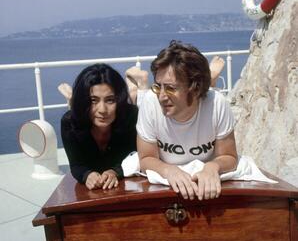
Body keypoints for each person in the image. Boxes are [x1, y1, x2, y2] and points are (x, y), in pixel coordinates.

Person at [136, 40, 237, 201]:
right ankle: (139, 82)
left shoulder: (217, 104)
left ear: (195, 89)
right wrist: (168, 170)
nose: (161, 96)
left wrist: (212, 167)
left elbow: (229, 157)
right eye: (158, 86)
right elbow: (146, 159)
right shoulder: (150, 102)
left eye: (170, 88)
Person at [61, 63, 138, 190]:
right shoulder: (70, 122)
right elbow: (76, 165)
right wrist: (87, 175)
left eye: (110, 100)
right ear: (83, 101)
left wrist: (115, 172)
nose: (102, 110)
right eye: (93, 100)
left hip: (127, 185)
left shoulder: (131, 116)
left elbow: (138, 155)